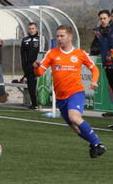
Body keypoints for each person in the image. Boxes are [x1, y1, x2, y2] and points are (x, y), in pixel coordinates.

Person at [33, 25, 106, 158]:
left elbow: (94, 68)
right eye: (58, 36)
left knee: (74, 117)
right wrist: (36, 67)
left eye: (62, 36)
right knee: (75, 127)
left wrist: (94, 81)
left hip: (76, 93)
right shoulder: (52, 53)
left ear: (70, 37)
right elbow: (39, 72)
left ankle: (98, 144)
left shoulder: (80, 54)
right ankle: (93, 144)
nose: (59, 39)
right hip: (61, 97)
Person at [20, 22, 40, 110]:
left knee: (40, 85)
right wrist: (24, 67)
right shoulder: (25, 40)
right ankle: (34, 103)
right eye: (30, 29)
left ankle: (42, 102)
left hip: (39, 65)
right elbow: (22, 55)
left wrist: (39, 62)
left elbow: (44, 52)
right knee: (31, 86)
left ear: (36, 29)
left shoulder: (40, 39)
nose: (31, 30)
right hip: (29, 67)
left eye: (33, 28)